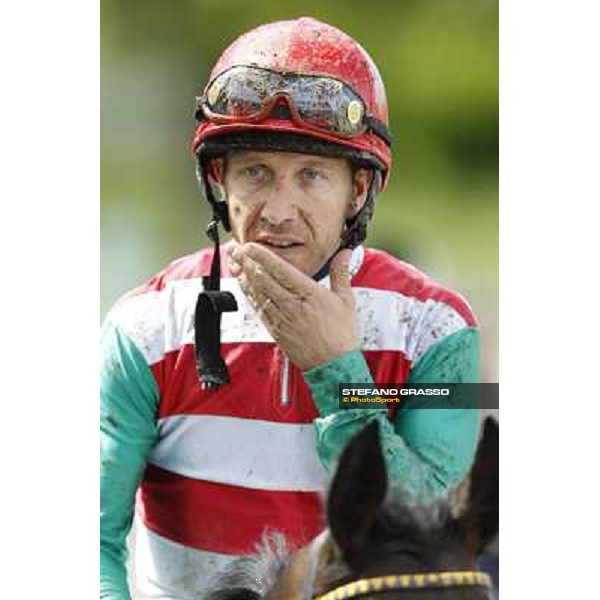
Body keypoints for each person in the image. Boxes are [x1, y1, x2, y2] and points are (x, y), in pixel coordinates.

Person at [100, 17, 481, 600]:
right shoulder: (143, 327)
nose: (279, 210)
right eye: (256, 172)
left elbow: (435, 545)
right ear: (218, 179)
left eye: (311, 176)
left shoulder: (440, 330)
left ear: (358, 190)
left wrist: (339, 374)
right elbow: (91, 538)